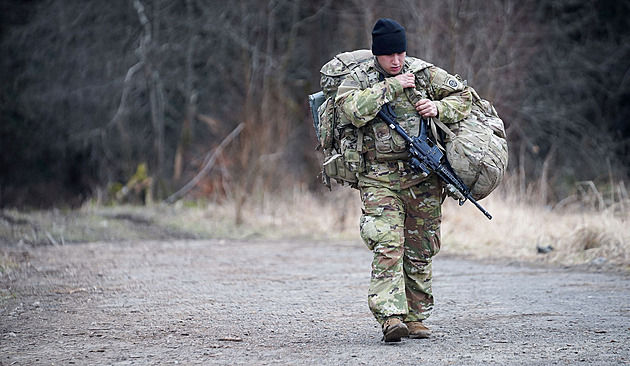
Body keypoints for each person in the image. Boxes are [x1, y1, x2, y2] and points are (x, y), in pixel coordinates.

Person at [335, 18, 472, 342]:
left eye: (400, 53)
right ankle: (391, 316)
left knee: (421, 247)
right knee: (387, 243)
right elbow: (351, 110)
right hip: (379, 176)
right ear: (376, 55)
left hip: (422, 177)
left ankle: (416, 317)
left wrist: (438, 107)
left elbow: (464, 97)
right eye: (389, 55)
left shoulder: (424, 74)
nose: (396, 61)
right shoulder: (359, 79)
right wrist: (391, 87)